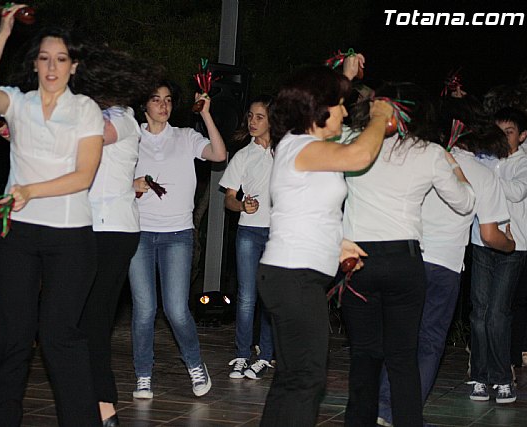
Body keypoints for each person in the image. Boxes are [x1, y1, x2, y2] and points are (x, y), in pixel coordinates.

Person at [0, 6, 105, 427]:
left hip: (69, 236)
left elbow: (83, 176)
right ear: (35, 63)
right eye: (45, 58)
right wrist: (3, 32)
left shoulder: (85, 109)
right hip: (18, 235)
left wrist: (30, 191)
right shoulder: (19, 103)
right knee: (12, 334)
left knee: (60, 336)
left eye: (61, 59)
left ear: (73, 66)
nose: (52, 67)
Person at [256, 61, 394, 427]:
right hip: (294, 276)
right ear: (318, 107)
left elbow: (309, 208)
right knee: (306, 379)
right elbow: (360, 155)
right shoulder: (300, 147)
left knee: (293, 378)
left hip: (294, 274)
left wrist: (338, 242)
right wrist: (380, 116)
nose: (345, 112)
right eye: (340, 104)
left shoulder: (307, 148)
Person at [341, 82, 475, 427]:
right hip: (404, 260)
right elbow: (465, 203)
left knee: (364, 355)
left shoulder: (353, 142)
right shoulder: (429, 153)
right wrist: (454, 166)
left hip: (359, 260)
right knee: (403, 357)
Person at [376, 97, 515, 425]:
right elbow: (491, 235)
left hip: (406, 258)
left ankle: (383, 409)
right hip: (444, 267)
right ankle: (406, 415)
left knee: (399, 338)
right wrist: (510, 245)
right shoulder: (483, 175)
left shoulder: (418, 159)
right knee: (429, 343)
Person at [75, 45, 161, 426]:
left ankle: (104, 406)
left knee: (94, 318)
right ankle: (90, 401)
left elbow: (98, 134)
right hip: (88, 225)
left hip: (114, 229)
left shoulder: (124, 118)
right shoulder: (91, 112)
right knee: (78, 319)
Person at [128, 80, 226, 399]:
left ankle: (195, 364)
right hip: (139, 233)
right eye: (156, 99)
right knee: (144, 309)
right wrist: (131, 185)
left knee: (176, 309)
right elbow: (108, 179)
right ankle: (143, 374)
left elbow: (219, 154)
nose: (163, 105)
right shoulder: (131, 138)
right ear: (145, 105)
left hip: (177, 234)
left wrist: (206, 114)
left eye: (168, 100)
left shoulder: (185, 136)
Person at [467, 107, 527, 403]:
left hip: (512, 246)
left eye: (509, 132)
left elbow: (518, 191)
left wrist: (484, 180)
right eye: (499, 131)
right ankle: (479, 377)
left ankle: (503, 378)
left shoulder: (526, 162)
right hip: (482, 241)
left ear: (522, 136)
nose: (503, 137)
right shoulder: (484, 158)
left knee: (497, 313)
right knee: (479, 313)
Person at [220, 95, 275, 380]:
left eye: (259, 117)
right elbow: (228, 198)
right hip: (249, 232)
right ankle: (242, 354)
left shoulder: (286, 153)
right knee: (246, 297)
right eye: (250, 116)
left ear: (272, 120)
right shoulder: (243, 155)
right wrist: (242, 205)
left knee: (270, 297)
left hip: (278, 234)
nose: (252, 122)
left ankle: (265, 356)